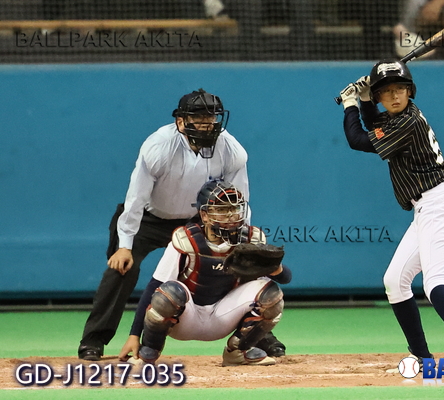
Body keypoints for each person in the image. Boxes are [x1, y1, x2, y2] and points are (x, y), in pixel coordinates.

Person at [78, 88, 286, 361]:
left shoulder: (231, 149)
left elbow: (239, 198)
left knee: (239, 265)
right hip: (149, 218)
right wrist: (125, 245)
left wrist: (240, 240)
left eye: (211, 118)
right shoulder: (159, 147)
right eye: (199, 118)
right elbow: (136, 198)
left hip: (199, 219)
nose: (207, 124)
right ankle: (93, 341)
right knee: (122, 269)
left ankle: (257, 337)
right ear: (180, 122)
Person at [338, 60, 444, 370]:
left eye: (400, 89)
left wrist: (350, 104)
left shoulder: (408, 122)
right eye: (386, 91)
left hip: (438, 204)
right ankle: (422, 356)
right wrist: (364, 99)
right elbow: (375, 124)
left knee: (434, 282)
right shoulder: (396, 118)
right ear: (379, 96)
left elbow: (359, 140)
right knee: (394, 281)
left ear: (410, 91)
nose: (394, 96)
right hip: (427, 206)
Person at [118, 179, 292, 366]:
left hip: (224, 317)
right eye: (222, 210)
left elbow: (285, 278)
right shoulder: (186, 240)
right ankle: (148, 352)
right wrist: (134, 335)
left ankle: (238, 352)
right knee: (168, 292)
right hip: (185, 319)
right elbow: (154, 285)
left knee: (272, 295)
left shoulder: (250, 240)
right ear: (204, 215)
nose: (231, 215)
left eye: (234, 209)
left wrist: (275, 267)